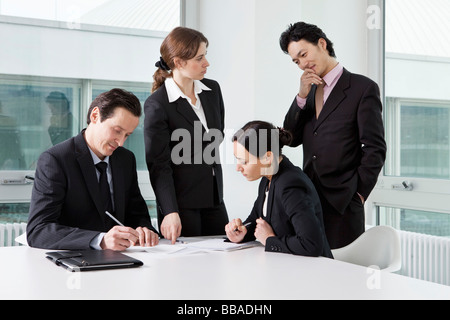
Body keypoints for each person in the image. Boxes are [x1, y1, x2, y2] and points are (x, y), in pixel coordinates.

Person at [280, 22, 386, 249]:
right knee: (310, 273)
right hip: (308, 200)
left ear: (322, 44)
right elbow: (290, 137)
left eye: (304, 54)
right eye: (296, 61)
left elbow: (374, 148)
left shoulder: (362, 88)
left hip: (344, 203)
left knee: (344, 277)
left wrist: (359, 194)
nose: (302, 64)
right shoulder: (309, 89)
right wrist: (301, 95)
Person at [27, 88, 159, 250]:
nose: (121, 142)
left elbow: (137, 214)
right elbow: (38, 230)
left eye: (127, 135)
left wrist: (144, 230)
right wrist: (100, 240)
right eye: (117, 131)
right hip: (75, 262)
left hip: (123, 259)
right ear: (95, 116)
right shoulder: (56, 160)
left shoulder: (125, 159)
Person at [144, 26, 229, 243]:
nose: (206, 63)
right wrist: (170, 210)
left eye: (205, 56)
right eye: (199, 58)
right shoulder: (158, 104)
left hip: (215, 199)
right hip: (181, 207)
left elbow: (214, 141)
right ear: (178, 62)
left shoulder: (213, 91)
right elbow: (158, 164)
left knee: (221, 263)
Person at [225, 121, 332, 258]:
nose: (238, 168)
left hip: (312, 271)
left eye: (244, 161)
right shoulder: (267, 178)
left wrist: (269, 239)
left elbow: (311, 243)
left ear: (267, 157)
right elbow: (257, 219)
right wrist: (242, 232)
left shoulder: (290, 185)